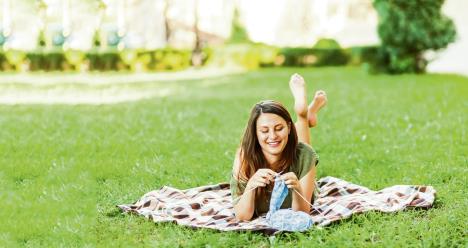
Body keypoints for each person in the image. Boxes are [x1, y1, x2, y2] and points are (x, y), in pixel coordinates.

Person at [230, 73, 327, 221]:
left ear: (288, 127)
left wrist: (297, 189)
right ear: (255, 133)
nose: (272, 136)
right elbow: (243, 216)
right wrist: (250, 187)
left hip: (297, 156)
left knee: (302, 149)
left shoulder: (305, 155)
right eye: (264, 131)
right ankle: (307, 115)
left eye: (279, 128)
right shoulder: (244, 158)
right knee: (295, 145)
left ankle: (303, 114)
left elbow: (302, 213)